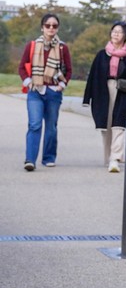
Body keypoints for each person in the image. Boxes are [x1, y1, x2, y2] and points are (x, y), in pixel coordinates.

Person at [82, 21, 126, 173]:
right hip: (103, 91)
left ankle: (115, 159)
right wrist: (87, 99)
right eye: (114, 31)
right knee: (106, 126)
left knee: (118, 125)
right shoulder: (102, 55)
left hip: (122, 92)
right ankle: (108, 157)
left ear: (125, 36)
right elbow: (92, 77)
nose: (115, 34)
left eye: (119, 32)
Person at [19, 13, 72, 171]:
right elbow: (22, 67)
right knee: (35, 125)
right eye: (48, 25)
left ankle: (48, 157)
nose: (51, 28)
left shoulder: (62, 48)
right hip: (35, 91)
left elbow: (68, 70)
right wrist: (28, 82)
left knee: (51, 127)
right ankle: (30, 159)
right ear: (42, 27)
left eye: (54, 26)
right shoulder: (33, 45)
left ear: (57, 28)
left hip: (54, 92)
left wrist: (62, 84)